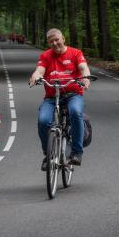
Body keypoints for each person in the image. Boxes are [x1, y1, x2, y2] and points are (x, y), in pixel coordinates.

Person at [29, 28, 91, 170]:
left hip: (73, 95)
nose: (55, 43)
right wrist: (36, 77)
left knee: (75, 112)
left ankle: (76, 152)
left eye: (57, 39)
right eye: (51, 41)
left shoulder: (75, 53)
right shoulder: (46, 56)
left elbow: (83, 67)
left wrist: (86, 77)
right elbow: (39, 70)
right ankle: (48, 155)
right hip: (51, 97)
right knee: (43, 120)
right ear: (48, 43)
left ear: (63, 38)